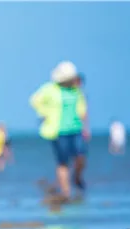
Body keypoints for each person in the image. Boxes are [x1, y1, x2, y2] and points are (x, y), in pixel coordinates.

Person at [30, 61, 89, 199]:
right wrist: (44, 113)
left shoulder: (76, 90)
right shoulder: (50, 89)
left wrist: (86, 127)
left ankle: (77, 177)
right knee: (63, 161)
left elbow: (83, 109)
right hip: (57, 130)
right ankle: (66, 192)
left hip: (76, 128)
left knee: (81, 157)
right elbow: (35, 100)